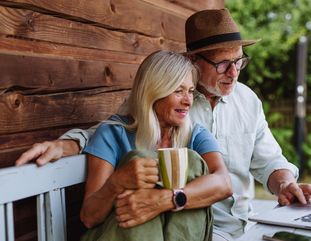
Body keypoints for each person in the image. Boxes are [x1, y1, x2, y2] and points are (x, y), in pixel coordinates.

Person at [16, 8, 311, 240]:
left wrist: (285, 184)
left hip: (241, 225)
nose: (234, 72)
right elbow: (123, 126)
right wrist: (68, 144)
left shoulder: (246, 101)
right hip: (187, 228)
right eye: (223, 63)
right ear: (194, 61)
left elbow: (268, 160)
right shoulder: (163, 105)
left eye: (240, 61)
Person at [79, 50, 231, 241]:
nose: (188, 101)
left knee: (190, 161)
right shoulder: (113, 134)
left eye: (190, 91)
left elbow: (224, 183)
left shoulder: (196, 134)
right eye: (178, 91)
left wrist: (165, 200)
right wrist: (116, 183)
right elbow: (89, 217)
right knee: (139, 160)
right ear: (153, 91)